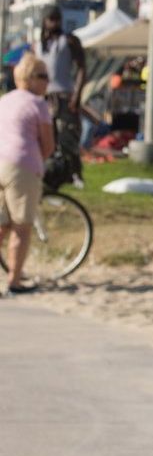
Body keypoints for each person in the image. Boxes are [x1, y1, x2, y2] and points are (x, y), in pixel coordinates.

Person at [0, 54, 56, 296]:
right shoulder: (38, 104)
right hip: (22, 166)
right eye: (43, 76)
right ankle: (14, 282)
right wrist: (36, 162)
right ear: (30, 78)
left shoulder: (5, 100)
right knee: (22, 227)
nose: (47, 81)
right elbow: (48, 145)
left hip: (1, 162)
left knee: (2, 225)